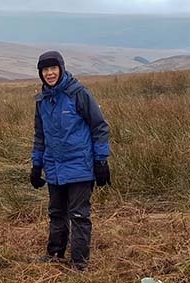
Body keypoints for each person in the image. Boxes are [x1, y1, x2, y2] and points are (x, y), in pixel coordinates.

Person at [30, 50, 111, 270]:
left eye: (53, 68)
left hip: (80, 166)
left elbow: (99, 126)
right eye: (45, 70)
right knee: (56, 213)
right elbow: (40, 135)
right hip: (54, 168)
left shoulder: (78, 94)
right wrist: (36, 165)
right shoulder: (42, 100)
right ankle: (55, 253)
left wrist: (101, 161)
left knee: (78, 215)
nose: (49, 73)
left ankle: (79, 263)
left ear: (61, 68)